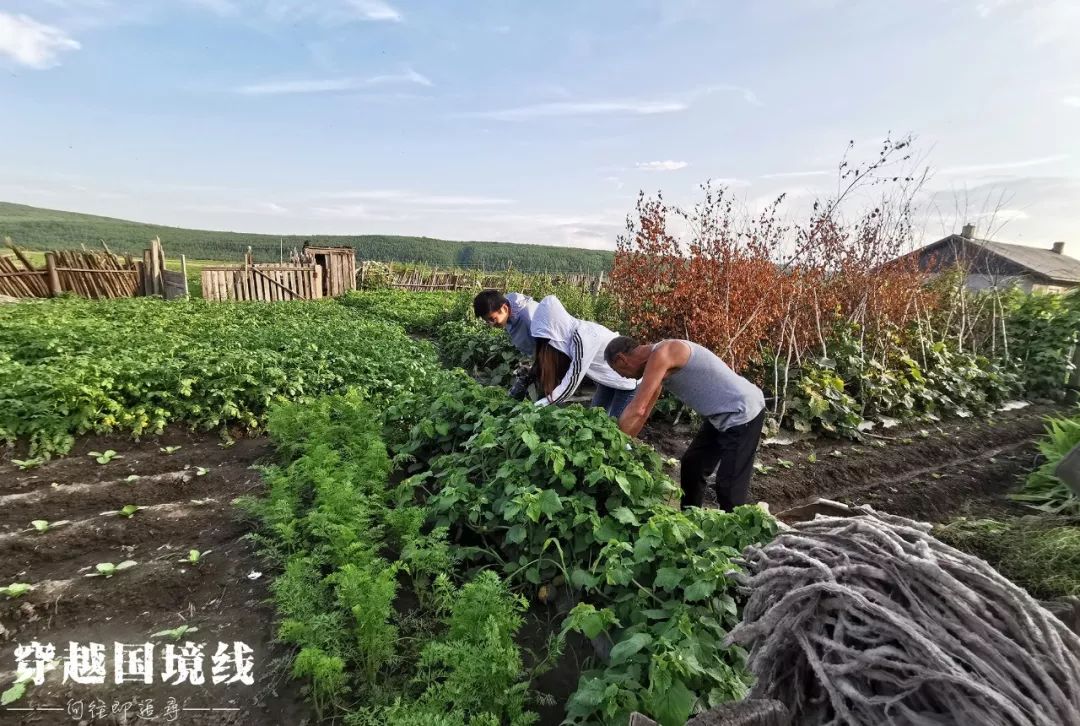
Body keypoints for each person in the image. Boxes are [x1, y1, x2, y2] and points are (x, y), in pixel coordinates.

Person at [604, 336, 766, 511]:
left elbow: (638, 408)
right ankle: (690, 518)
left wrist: (613, 446)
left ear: (621, 359)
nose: (623, 377)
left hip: (743, 411)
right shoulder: (656, 364)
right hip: (720, 414)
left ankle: (738, 534)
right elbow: (643, 413)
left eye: (618, 372)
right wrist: (625, 443)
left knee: (729, 487)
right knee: (693, 465)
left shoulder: (662, 353)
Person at [530, 295, 638, 417]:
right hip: (607, 380)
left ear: (556, 327)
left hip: (627, 381)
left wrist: (538, 406)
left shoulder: (582, 338)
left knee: (617, 426)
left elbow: (571, 383)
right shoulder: (572, 336)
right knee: (594, 418)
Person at [473, 289, 539, 400]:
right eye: (487, 321)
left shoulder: (528, 317)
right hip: (537, 355)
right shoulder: (507, 311)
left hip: (558, 355)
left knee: (549, 397)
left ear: (504, 308)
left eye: (492, 319)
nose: (490, 324)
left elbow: (549, 346)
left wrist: (538, 367)